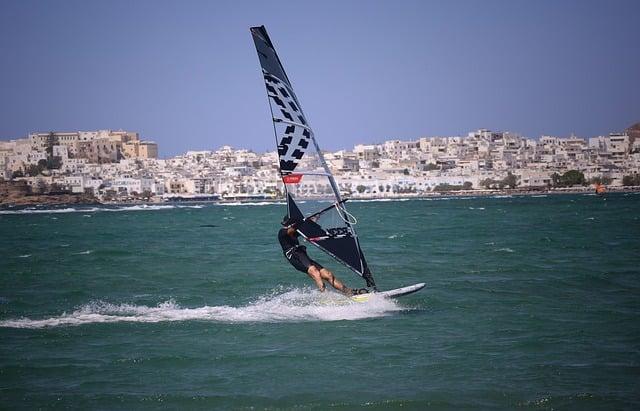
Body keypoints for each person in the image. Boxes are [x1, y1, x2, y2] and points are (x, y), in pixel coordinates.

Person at [278, 215, 368, 296]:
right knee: (315, 272)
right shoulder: (282, 232)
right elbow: (290, 231)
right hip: (294, 256)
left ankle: (349, 292)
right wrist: (301, 221)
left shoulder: (296, 231)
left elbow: (304, 227)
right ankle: (324, 296)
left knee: (328, 275)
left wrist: (314, 218)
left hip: (302, 255)